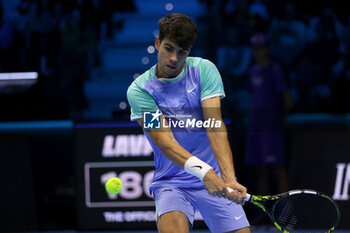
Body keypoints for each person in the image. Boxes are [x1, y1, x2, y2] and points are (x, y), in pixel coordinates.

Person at [127, 13, 250, 233]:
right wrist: (206, 173)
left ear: (189, 51)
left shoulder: (204, 71)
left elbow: (214, 126)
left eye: (181, 52)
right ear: (157, 43)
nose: (174, 58)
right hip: (172, 182)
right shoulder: (140, 90)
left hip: (216, 179)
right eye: (168, 48)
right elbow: (165, 142)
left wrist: (228, 178)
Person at [245, 33, 294, 197]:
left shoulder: (275, 70)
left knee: (278, 169)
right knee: (261, 170)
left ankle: (285, 208)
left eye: (261, 48)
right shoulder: (252, 71)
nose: (258, 52)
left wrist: (277, 120)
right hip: (256, 128)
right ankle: (264, 210)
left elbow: (288, 100)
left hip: (271, 129)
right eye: (255, 48)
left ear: (266, 49)